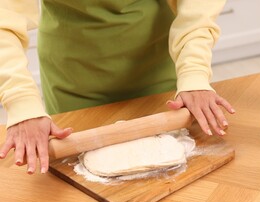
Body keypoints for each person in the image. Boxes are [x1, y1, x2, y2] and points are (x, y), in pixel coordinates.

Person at [0, 0, 235, 174]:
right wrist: (21, 101)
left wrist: (193, 71)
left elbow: (197, 9)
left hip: (157, 66)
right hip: (72, 76)